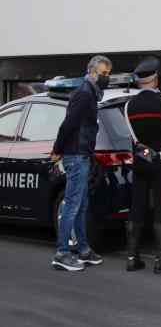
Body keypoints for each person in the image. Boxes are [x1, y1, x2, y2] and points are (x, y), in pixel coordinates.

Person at [51, 55, 111, 272]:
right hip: (75, 155)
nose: (107, 78)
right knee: (72, 205)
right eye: (104, 74)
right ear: (92, 72)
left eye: (108, 74)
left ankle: (83, 250)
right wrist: (57, 149)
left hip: (82, 154)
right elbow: (68, 125)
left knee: (82, 205)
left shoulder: (91, 94)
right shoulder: (85, 94)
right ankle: (62, 253)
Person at [125, 56, 161, 274]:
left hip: (139, 162)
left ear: (140, 81)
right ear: (155, 79)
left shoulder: (130, 106)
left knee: (137, 207)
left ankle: (132, 258)